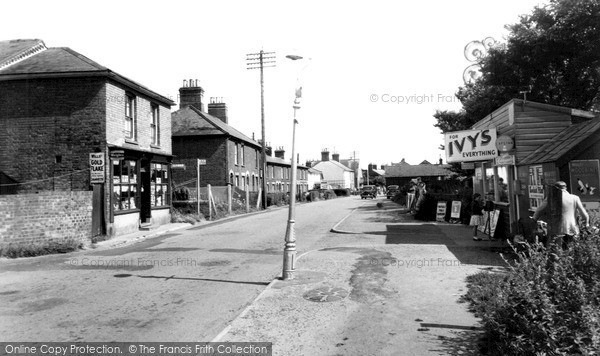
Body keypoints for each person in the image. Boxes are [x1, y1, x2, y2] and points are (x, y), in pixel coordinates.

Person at [533, 181, 590, 249]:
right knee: (571, 250)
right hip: (573, 229)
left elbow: (539, 211)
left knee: (558, 251)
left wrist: (533, 220)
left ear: (555, 189)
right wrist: (586, 224)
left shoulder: (551, 198)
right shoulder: (575, 198)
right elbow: (584, 215)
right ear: (565, 188)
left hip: (557, 230)